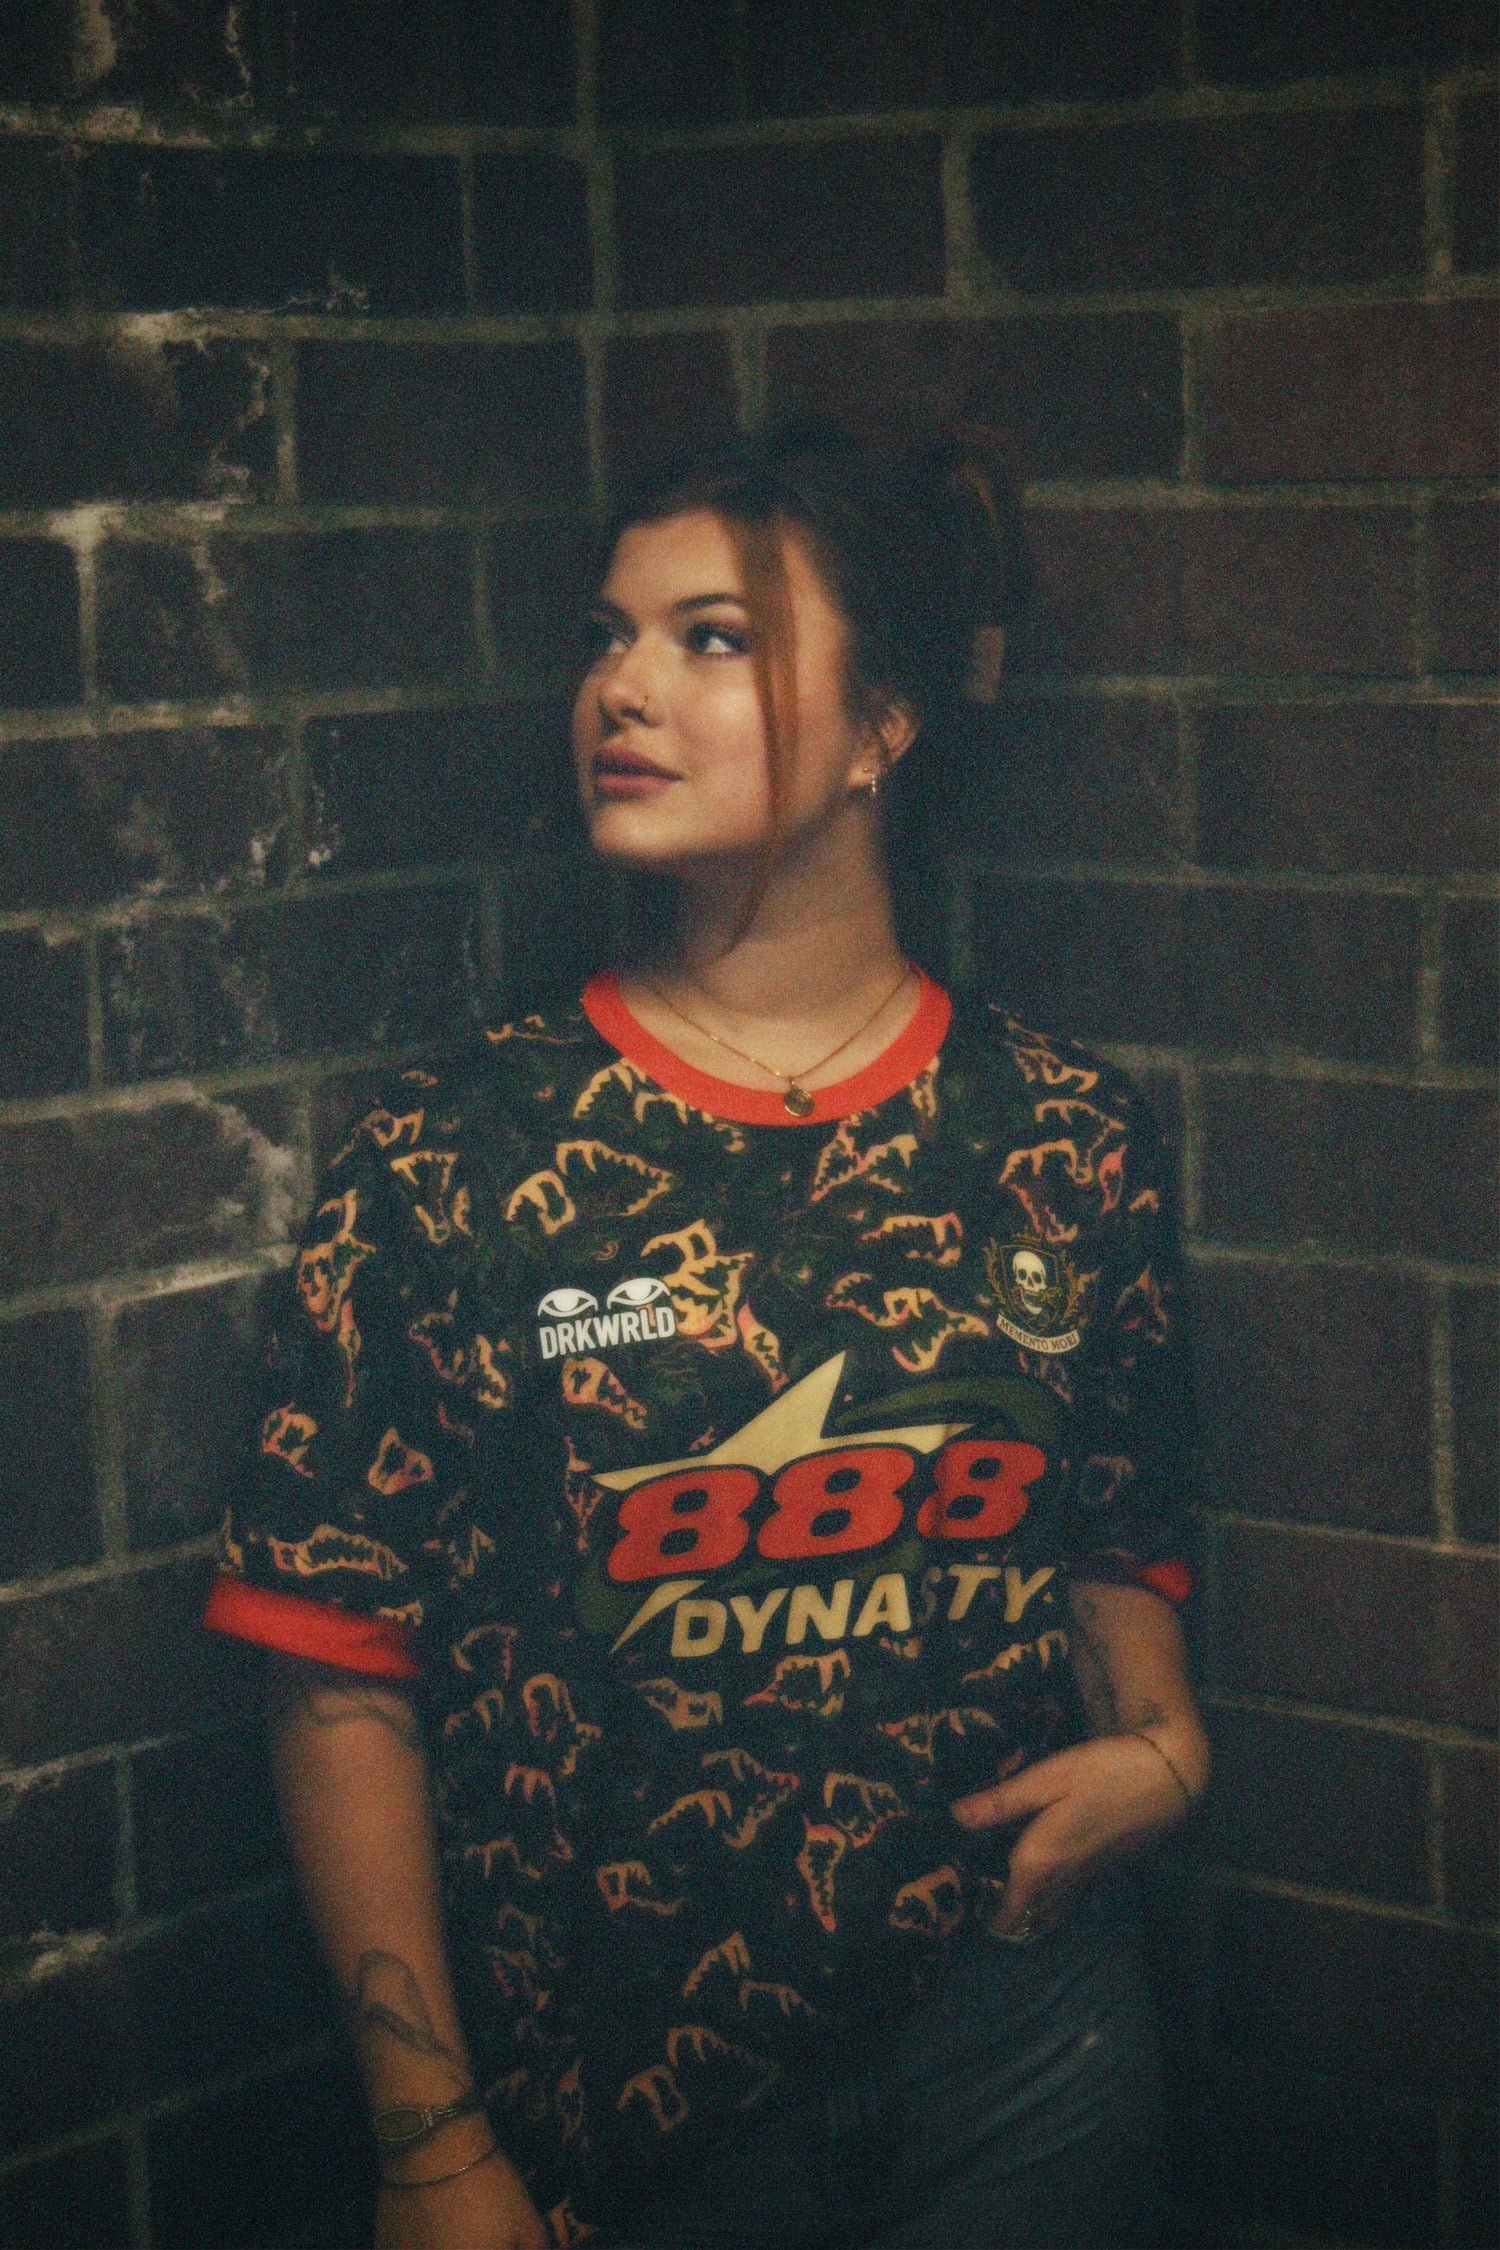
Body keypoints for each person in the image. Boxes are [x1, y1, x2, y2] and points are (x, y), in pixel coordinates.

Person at [205, 421, 1209, 2250]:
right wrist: (429, 2141)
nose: (624, 686)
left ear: (883, 726)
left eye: (713, 638)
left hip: (1026, 2042)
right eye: (607, 635)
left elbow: (1112, 1521)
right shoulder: (455, 1155)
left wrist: (1164, 1742)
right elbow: (335, 1658)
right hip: (630, 2107)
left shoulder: (1063, 1133)